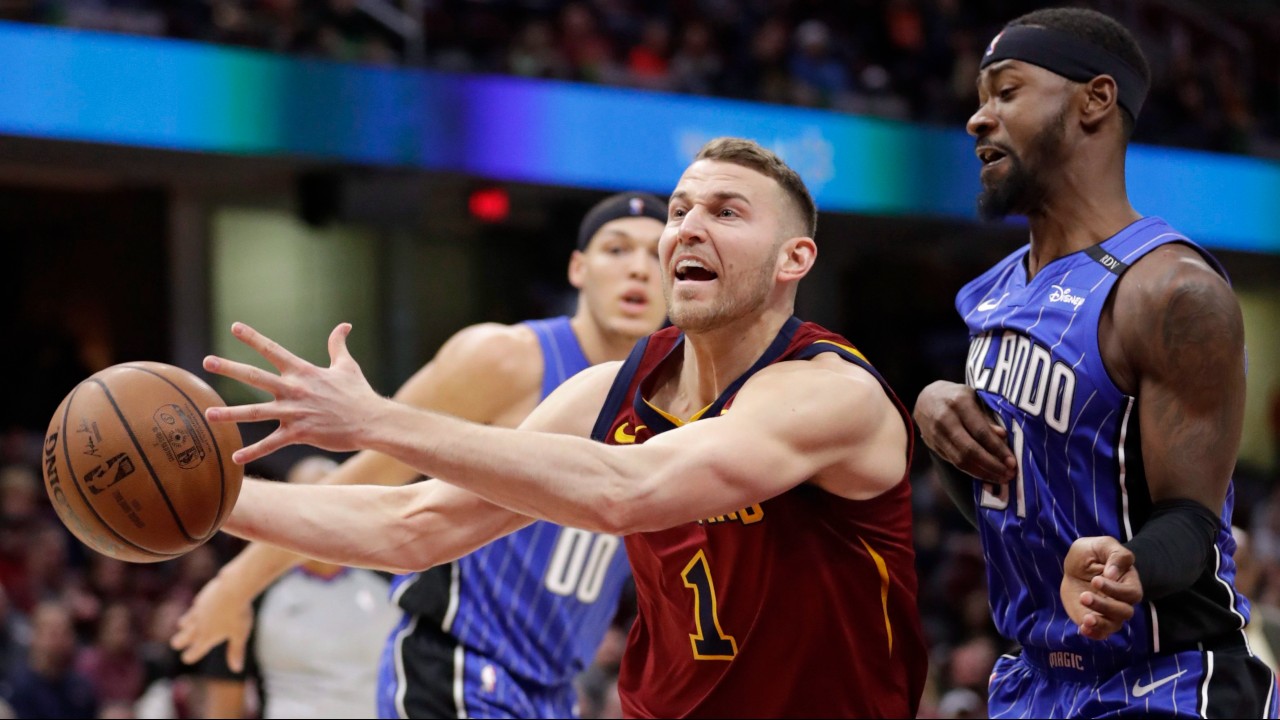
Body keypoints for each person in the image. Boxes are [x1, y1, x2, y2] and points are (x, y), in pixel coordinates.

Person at [192, 136, 928, 717]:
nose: (686, 231)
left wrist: (378, 420)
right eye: (681, 211)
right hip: (482, 671)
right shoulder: (601, 390)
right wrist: (204, 502)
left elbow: (626, 490)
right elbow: (413, 524)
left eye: (727, 213)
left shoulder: (830, 393)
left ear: (794, 259)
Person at [172, 190, 670, 719]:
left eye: (654, 254)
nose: (637, 269)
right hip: (458, 670)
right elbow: (367, 481)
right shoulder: (505, 359)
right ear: (578, 268)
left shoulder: (670, 401)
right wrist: (236, 586)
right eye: (617, 250)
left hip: (552, 691)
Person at [913, 7, 1279, 717]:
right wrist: (939, 427)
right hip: (1034, 680)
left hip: (1169, 678)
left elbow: (1192, 520)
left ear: (1095, 100)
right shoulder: (991, 296)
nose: (977, 119)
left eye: (1006, 91)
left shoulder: (1171, 291)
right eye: (980, 98)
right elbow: (1007, 501)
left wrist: (1130, 567)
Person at [196, 455, 401, 719]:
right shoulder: (251, 590)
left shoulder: (392, 579)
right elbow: (223, 709)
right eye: (309, 502)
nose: (319, 515)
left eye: (332, 500)